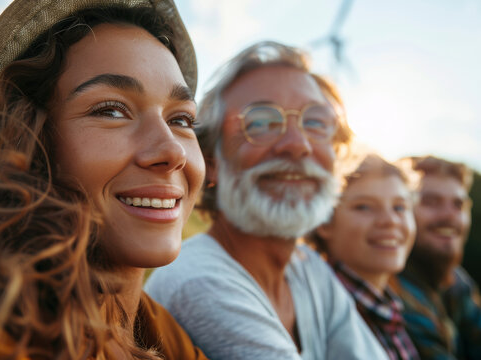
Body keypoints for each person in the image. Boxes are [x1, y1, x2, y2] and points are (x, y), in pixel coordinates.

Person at [0, 1, 208, 359]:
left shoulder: (157, 328)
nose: (172, 152)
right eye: (111, 110)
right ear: (23, 141)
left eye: (181, 120)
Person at [145, 41, 388, 360]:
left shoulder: (307, 268)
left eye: (315, 122)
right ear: (211, 161)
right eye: (259, 123)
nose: (297, 145)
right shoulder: (199, 281)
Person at [309, 154, 420, 359]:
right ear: (324, 221)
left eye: (400, 207)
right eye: (364, 206)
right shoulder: (319, 313)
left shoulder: (388, 308)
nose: (390, 221)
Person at [391, 156, 481, 359]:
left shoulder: (457, 281)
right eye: (431, 202)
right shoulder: (393, 292)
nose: (449, 216)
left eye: (458, 205)